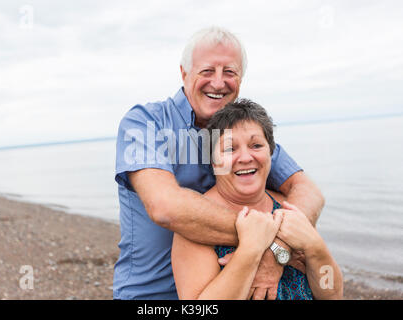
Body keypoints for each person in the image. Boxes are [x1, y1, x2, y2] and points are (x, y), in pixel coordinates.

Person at [114, 26, 325, 299]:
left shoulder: (243, 137)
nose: (218, 82)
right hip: (152, 295)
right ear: (184, 73)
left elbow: (308, 191)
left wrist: (279, 248)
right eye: (207, 71)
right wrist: (266, 241)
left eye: (230, 72)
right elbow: (165, 207)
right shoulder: (145, 123)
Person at [172, 99, 343, 300]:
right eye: (229, 149)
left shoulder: (289, 208)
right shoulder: (197, 221)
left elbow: (332, 294)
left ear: (271, 152)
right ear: (213, 161)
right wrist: (251, 251)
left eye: (256, 145)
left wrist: (315, 247)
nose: (245, 157)